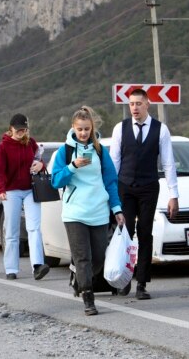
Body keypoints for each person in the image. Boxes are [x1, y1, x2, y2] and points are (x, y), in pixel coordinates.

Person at [51, 106, 125, 315]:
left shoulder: (100, 151)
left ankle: (78, 277)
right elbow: (56, 181)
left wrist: (117, 208)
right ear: (73, 128)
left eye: (86, 129)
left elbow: (111, 182)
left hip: (99, 212)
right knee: (83, 257)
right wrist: (72, 166)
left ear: (92, 129)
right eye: (80, 129)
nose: (83, 133)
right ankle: (88, 297)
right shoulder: (64, 152)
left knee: (98, 258)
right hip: (74, 213)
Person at [109, 88, 178, 300]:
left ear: (147, 104)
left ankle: (142, 283)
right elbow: (114, 162)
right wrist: (110, 193)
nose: (135, 108)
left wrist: (173, 194)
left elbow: (167, 163)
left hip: (149, 186)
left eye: (138, 103)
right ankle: (124, 279)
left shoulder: (161, 129)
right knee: (126, 232)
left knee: (145, 232)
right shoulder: (120, 129)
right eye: (131, 104)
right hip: (125, 187)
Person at [0, 113, 50, 281]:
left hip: (30, 189)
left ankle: (38, 265)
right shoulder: (3, 147)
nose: (21, 132)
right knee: (11, 230)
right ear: (11, 129)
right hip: (11, 191)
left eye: (24, 130)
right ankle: (11, 268)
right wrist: (1, 189)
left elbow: (39, 161)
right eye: (18, 130)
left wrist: (41, 165)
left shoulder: (31, 143)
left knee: (34, 227)